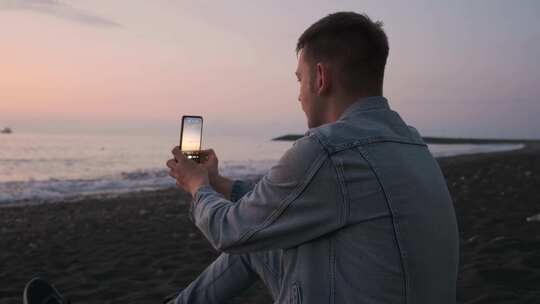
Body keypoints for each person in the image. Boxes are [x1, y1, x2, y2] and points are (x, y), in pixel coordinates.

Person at [23, 11, 459, 304]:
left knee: (248, 240)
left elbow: (232, 231)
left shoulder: (328, 150)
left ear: (321, 77)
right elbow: (283, 204)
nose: (300, 94)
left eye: (300, 79)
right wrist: (220, 182)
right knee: (261, 240)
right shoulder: (408, 142)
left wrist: (196, 187)